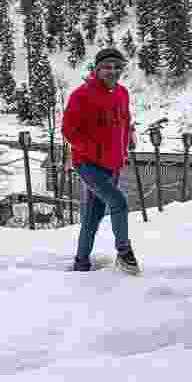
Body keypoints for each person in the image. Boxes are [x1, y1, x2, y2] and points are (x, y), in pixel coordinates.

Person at [61, 47, 140, 274]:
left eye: (117, 67)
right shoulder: (82, 95)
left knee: (92, 217)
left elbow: (126, 121)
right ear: (96, 69)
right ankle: (124, 253)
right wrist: (95, 150)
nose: (112, 71)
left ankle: (81, 263)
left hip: (112, 165)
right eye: (106, 67)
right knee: (118, 202)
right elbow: (69, 131)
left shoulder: (122, 93)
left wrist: (127, 142)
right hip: (88, 165)